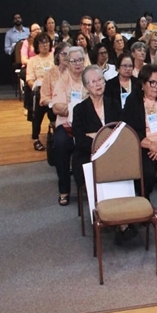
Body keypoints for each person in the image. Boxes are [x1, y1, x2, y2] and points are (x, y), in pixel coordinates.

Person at [72, 65, 122, 229]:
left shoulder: (114, 104)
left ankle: (121, 218)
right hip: (87, 156)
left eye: (100, 79)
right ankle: (105, 218)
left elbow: (120, 133)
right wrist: (105, 138)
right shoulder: (79, 110)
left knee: (122, 166)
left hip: (113, 153)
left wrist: (95, 135)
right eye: (93, 82)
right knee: (96, 169)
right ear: (86, 87)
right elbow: (81, 141)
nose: (98, 84)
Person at [121, 64, 157, 198]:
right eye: (152, 83)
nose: (156, 87)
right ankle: (144, 200)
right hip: (143, 145)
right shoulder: (133, 101)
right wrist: (151, 145)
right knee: (147, 171)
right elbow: (129, 129)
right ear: (143, 83)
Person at [52, 46, 88, 206]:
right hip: (66, 124)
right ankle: (64, 190)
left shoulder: (89, 77)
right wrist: (79, 107)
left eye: (80, 60)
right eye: (74, 61)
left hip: (88, 124)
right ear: (68, 62)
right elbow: (57, 108)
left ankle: (92, 184)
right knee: (60, 143)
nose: (78, 63)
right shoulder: (63, 80)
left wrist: (71, 105)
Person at [25, 32, 55, 151]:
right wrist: (38, 87)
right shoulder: (32, 61)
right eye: (41, 43)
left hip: (54, 90)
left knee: (55, 107)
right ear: (37, 45)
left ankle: (55, 133)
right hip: (39, 91)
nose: (44, 45)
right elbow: (29, 79)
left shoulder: (55, 57)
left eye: (46, 42)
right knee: (37, 107)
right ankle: (35, 138)